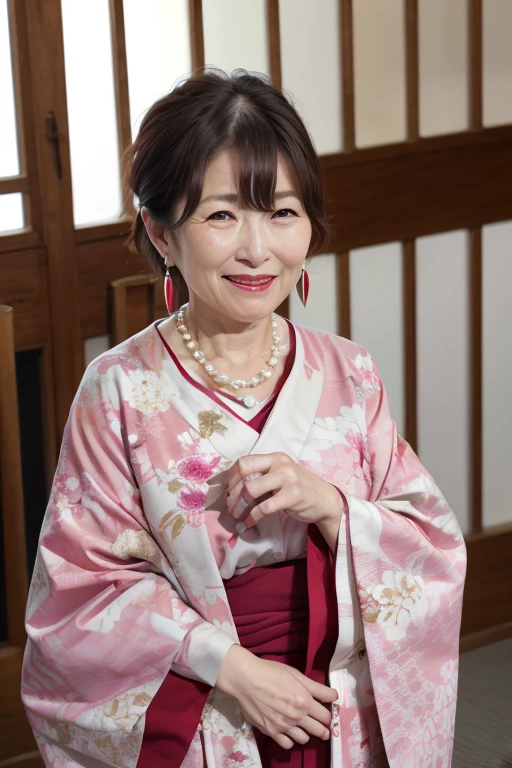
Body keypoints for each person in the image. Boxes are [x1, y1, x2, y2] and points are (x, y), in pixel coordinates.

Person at [21, 68, 466, 768]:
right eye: (222, 215)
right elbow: (77, 598)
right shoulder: (118, 389)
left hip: (337, 708)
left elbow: (431, 549)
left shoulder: (350, 371)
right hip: (203, 711)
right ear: (161, 234)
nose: (258, 249)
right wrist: (230, 666)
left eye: (282, 213)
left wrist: (331, 505)